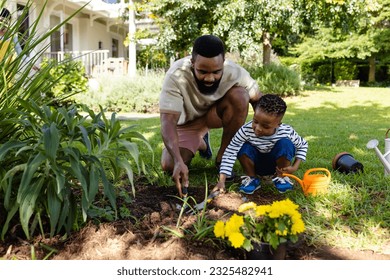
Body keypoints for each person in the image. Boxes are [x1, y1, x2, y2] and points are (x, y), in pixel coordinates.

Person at [159, 34, 262, 197]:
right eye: (202, 71)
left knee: (241, 96)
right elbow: (167, 122)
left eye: (216, 71)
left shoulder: (235, 72)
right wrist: (178, 160)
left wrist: (266, 134)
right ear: (192, 63)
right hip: (187, 124)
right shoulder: (176, 75)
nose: (210, 78)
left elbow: (259, 101)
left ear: (223, 63)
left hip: (214, 115)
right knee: (168, 164)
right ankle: (201, 142)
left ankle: (223, 159)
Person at [215, 94, 308, 194]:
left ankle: (281, 178)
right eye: (255, 121)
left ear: (278, 125)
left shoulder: (286, 131)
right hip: (255, 165)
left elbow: (303, 145)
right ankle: (252, 179)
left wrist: (295, 167)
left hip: (276, 166)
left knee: (286, 144)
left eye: (265, 126)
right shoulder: (245, 130)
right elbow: (230, 151)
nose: (258, 128)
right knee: (242, 146)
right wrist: (221, 180)